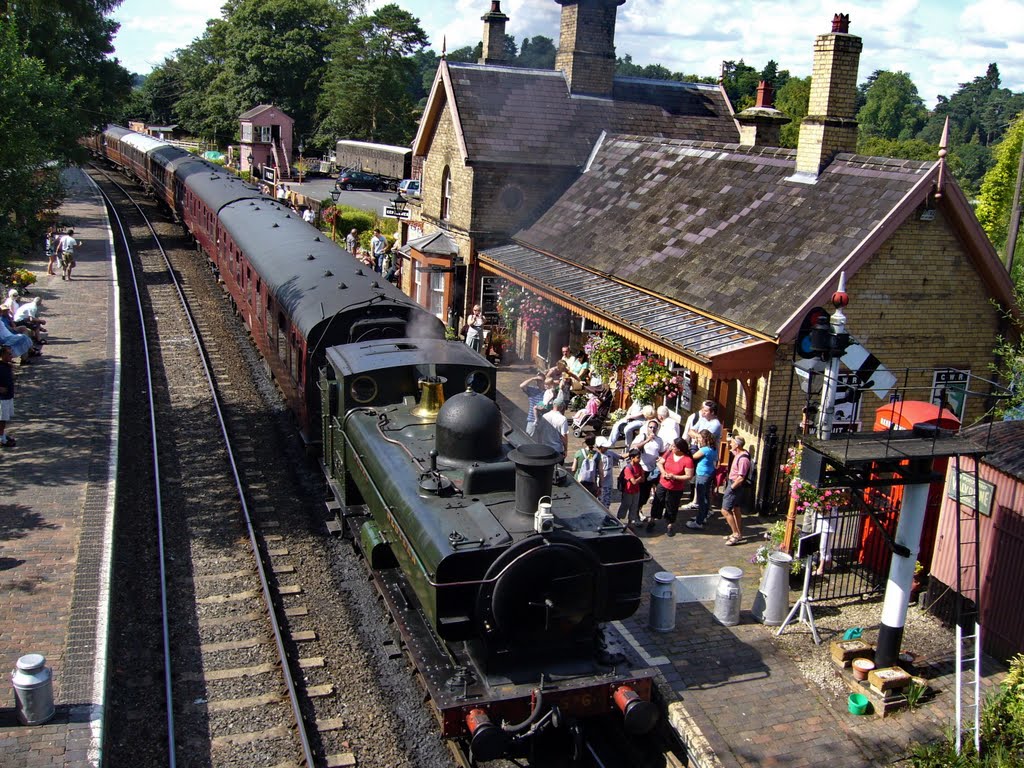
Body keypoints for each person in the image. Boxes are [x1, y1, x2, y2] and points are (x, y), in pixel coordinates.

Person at [648, 437, 695, 536]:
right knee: (657, 502)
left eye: (673, 446)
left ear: (679, 448)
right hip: (663, 483)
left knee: (672, 506)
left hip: (676, 488)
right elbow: (660, 463)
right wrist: (664, 472)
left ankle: (670, 525)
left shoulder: (687, 460)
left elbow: (689, 475)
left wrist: (675, 477)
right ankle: (652, 520)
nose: (671, 447)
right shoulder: (669, 453)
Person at [721, 436, 752, 545]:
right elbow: (730, 447)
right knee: (736, 509)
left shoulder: (743, 459)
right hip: (733, 484)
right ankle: (738, 532)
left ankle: (735, 534)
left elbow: (741, 477)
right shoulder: (738, 453)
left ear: (737, 445)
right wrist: (730, 438)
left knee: (725, 510)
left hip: (735, 485)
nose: (730, 444)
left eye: (732, 443)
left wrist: (732, 487)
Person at [686, 429, 719, 530]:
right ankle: (703, 516)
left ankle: (699, 521)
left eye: (700, 438)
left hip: (703, 474)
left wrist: (694, 445)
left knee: (701, 498)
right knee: (705, 495)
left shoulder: (704, 450)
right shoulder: (713, 448)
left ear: (705, 438)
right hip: (710, 472)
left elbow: (693, 456)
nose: (699, 439)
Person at [629, 418, 662, 512]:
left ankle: (639, 510)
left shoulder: (659, 440)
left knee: (646, 493)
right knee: (640, 492)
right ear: (647, 428)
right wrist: (647, 440)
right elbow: (633, 447)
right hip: (642, 469)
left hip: (652, 469)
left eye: (655, 428)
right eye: (650, 427)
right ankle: (636, 512)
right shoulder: (642, 436)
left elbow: (660, 452)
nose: (652, 429)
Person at [616, 448, 644, 529]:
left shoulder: (639, 466)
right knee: (625, 505)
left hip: (636, 491)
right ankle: (618, 519)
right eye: (638, 457)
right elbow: (634, 481)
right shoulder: (628, 468)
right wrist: (639, 478)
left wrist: (637, 479)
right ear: (632, 458)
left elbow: (642, 479)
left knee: (634, 506)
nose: (639, 459)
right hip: (628, 491)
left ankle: (630, 522)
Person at [594, 436, 622, 508]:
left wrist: (631, 452)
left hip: (608, 483)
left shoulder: (610, 453)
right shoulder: (595, 456)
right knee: (599, 502)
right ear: (599, 447)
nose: (606, 448)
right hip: (599, 484)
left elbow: (620, 457)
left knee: (607, 502)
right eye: (604, 446)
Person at [0, 344, 16, 447]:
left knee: (4, 418)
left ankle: (2, 435)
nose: (12, 356)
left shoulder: (6, 365)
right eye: (9, 354)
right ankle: (2, 439)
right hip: (1, 398)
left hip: (8, 396)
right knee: (1, 419)